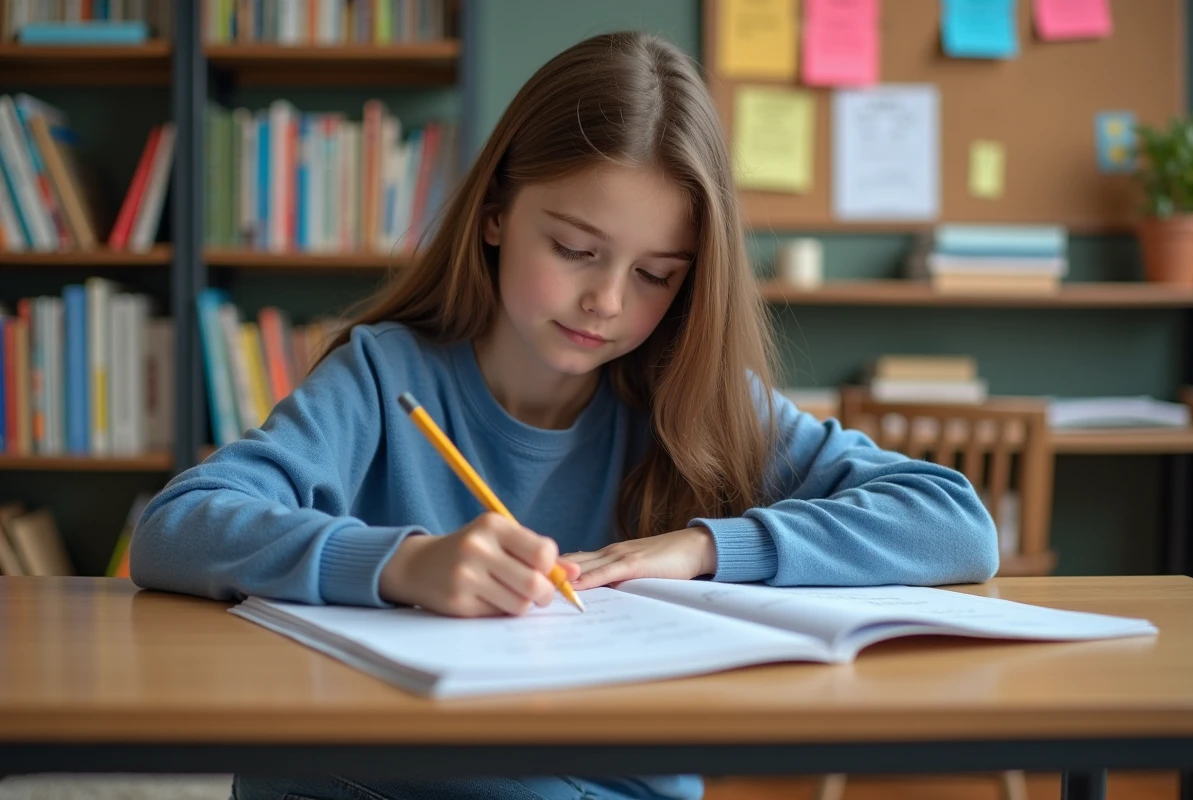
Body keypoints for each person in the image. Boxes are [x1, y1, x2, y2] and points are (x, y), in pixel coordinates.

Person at [131, 30, 998, 800]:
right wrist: (404, 566)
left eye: (656, 274)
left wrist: (704, 547)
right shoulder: (386, 375)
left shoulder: (696, 399)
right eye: (577, 249)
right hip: (409, 763)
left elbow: (956, 523)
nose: (606, 301)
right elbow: (176, 528)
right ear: (499, 212)